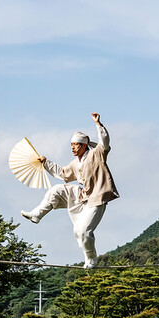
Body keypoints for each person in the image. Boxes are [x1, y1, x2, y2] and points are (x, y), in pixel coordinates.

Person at [21, 112, 119, 268]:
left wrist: (98, 124)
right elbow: (63, 173)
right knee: (57, 189)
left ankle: (91, 258)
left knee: (83, 231)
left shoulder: (97, 154)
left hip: (97, 199)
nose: (72, 148)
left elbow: (105, 142)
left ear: (84, 145)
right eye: (71, 145)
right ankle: (37, 214)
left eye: (75, 145)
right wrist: (46, 163)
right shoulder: (76, 163)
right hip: (82, 196)